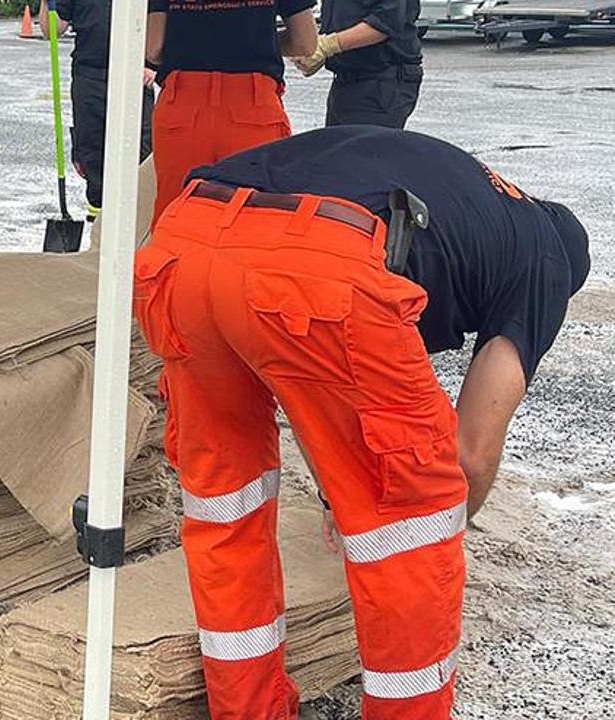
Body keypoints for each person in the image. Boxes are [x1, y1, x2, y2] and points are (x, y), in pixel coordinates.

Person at [133, 126, 588, 719]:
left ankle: (245, 710)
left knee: (227, 499)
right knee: (414, 516)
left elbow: (341, 388)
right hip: (322, 258)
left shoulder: (468, 202)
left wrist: (339, 489)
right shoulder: (545, 258)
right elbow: (470, 453)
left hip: (184, 241)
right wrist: (431, 527)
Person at [145, 0, 318, 225]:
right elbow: (305, 43)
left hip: (185, 103)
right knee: (251, 225)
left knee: (178, 221)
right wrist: (255, 41)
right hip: (253, 105)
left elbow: (154, 47)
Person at [44, 0, 154, 221]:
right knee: (93, 155)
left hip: (134, 75)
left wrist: (153, 63)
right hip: (90, 75)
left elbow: (161, 18)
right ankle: (98, 229)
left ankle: (137, 230)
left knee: (140, 155)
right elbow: (52, 31)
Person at [293, 0, 424, 128]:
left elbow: (385, 22)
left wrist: (328, 45)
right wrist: (317, 49)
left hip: (381, 81)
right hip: (348, 80)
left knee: (363, 147)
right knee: (339, 146)